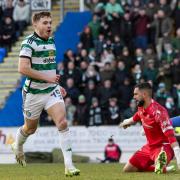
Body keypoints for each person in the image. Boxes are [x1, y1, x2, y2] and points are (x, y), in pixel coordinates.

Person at [11, 11, 80, 177]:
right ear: (35, 25)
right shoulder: (28, 43)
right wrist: (49, 78)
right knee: (30, 128)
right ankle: (17, 145)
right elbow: (23, 68)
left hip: (50, 91)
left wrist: (56, 85)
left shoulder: (51, 40)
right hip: (33, 94)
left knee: (62, 123)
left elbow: (49, 68)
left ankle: (69, 166)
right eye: (45, 23)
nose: (49, 25)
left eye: (50, 22)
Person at [119, 82, 180, 174]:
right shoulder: (141, 106)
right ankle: (163, 168)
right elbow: (137, 116)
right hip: (149, 147)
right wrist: (127, 122)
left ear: (144, 94)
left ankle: (160, 164)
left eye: (136, 94)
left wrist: (178, 158)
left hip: (163, 146)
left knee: (159, 166)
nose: (134, 97)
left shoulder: (159, 112)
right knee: (128, 169)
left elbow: (171, 137)